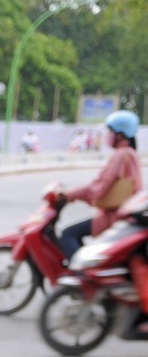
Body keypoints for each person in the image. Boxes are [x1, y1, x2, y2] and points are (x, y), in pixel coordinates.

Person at [59, 109, 142, 260]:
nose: (107, 135)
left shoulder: (121, 155)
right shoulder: (131, 153)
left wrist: (69, 194)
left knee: (68, 234)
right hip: (124, 213)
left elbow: (99, 186)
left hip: (114, 215)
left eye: (110, 131)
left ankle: (81, 276)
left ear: (120, 134)